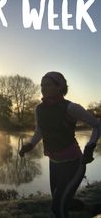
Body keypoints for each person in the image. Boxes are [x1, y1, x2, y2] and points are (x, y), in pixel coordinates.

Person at [19, 71, 101, 218]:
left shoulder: (71, 108)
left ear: (59, 87)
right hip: (54, 164)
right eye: (42, 85)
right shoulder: (39, 109)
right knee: (63, 201)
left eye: (48, 85)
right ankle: (92, 209)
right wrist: (30, 145)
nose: (43, 88)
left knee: (58, 208)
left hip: (74, 164)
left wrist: (90, 147)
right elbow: (40, 131)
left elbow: (97, 125)